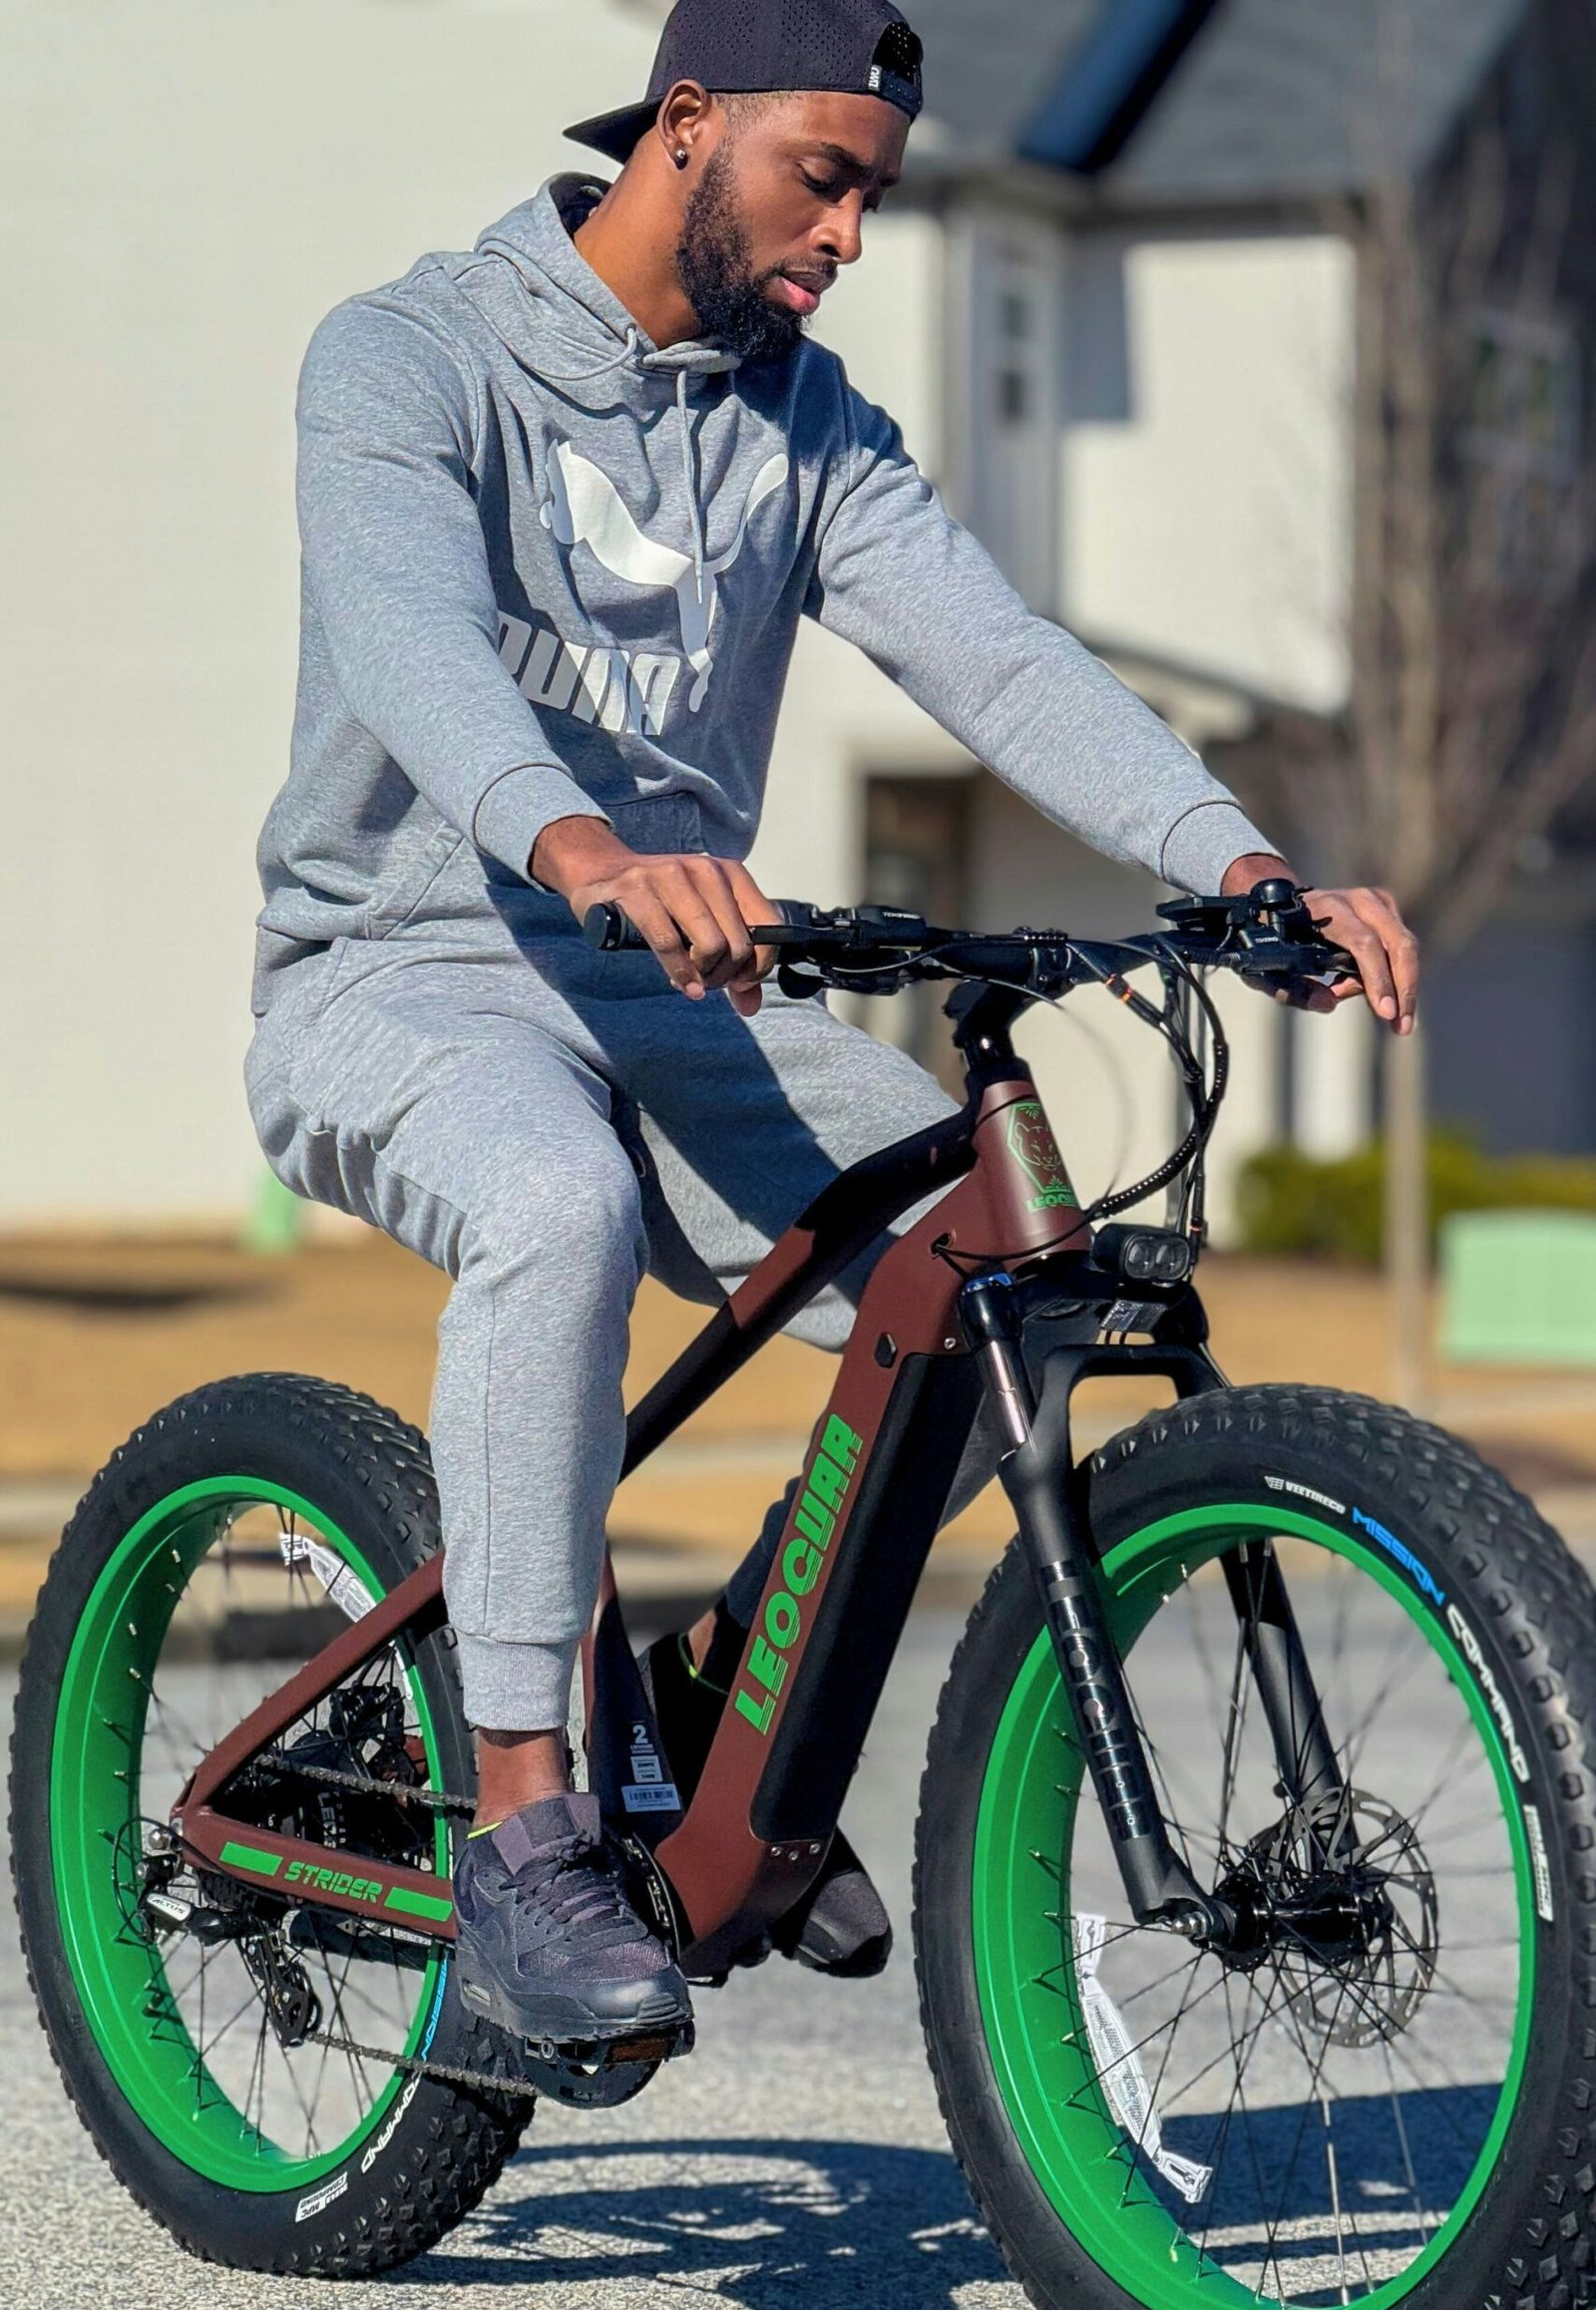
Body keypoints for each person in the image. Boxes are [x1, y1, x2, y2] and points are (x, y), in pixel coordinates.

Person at [245, 0, 1419, 2047]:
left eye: (875, 193)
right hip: (401, 969)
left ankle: (710, 1706)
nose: (853, 235)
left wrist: (1240, 869)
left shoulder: (805, 420)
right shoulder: (405, 355)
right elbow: (412, 640)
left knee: (1000, 1269)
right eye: (825, 180)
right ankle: (524, 1822)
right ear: (682, 125)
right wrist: (583, 838)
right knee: (552, 1201)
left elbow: (996, 657)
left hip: (684, 987)